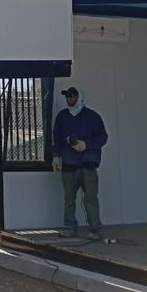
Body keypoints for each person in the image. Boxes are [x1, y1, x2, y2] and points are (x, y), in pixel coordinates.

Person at [52, 86, 108, 239]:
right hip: (69, 164)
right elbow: (57, 138)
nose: (69, 99)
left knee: (90, 198)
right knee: (69, 199)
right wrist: (56, 156)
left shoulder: (92, 117)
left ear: (80, 97)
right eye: (67, 96)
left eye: (72, 96)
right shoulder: (62, 117)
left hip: (88, 163)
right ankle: (69, 227)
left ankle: (94, 229)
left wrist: (86, 145)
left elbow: (103, 137)